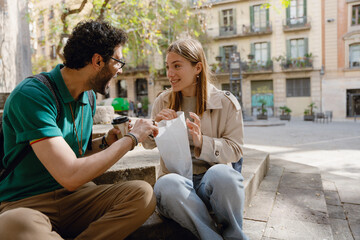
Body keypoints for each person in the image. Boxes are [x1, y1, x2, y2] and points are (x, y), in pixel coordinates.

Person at [0, 20, 158, 240]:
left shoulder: (89, 96)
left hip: (77, 198)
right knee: (15, 225)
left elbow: (74, 155)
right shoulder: (32, 95)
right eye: (118, 61)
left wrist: (105, 142)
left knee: (143, 194)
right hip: (26, 202)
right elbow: (70, 174)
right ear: (97, 60)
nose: (120, 70)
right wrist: (132, 139)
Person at [143, 39, 248, 240]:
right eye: (168, 67)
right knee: (167, 184)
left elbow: (236, 149)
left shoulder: (226, 103)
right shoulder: (163, 101)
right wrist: (154, 128)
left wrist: (202, 142)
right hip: (177, 188)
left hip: (210, 184)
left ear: (197, 67)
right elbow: (147, 144)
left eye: (177, 66)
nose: (170, 74)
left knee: (225, 174)